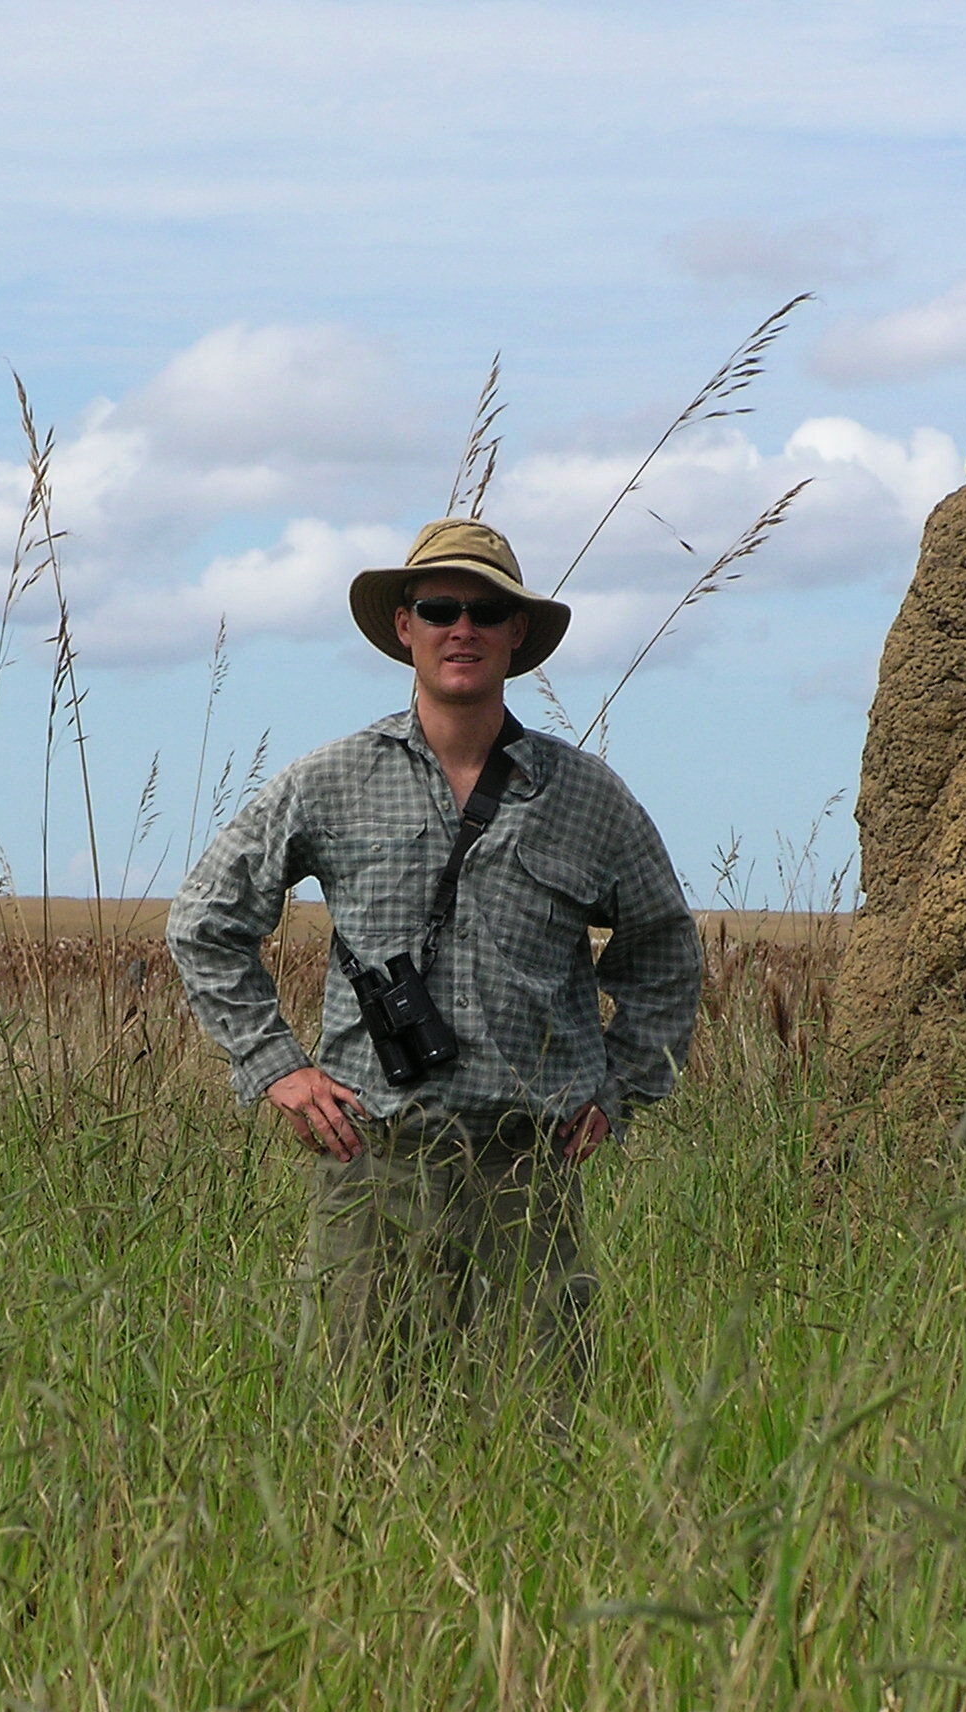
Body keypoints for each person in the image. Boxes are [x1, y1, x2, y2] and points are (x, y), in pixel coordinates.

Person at [165, 516, 702, 1416]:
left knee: (543, 1431)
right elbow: (204, 922)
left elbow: (666, 950)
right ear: (405, 628)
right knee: (365, 1432)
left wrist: (619, 1088)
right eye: (440, 607)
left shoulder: (587, 796)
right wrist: (279, 1068)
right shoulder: (328, 779)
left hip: (528, 1176)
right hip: (372, 1163)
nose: (464, 627)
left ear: (516, 633)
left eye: (486, 610)